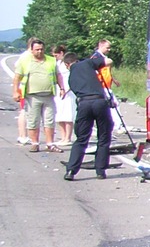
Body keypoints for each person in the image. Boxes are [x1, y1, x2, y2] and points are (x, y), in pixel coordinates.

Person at [64, 47, 113, 180]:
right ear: (77, 60)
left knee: (81, 139)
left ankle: (71, 171)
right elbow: (108, 60)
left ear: (67, 65)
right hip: (99, 102)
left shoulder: (70, 79)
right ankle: (100, 171)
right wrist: (96, 65)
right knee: (103, 137)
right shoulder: (87, 63)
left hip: (84, 104)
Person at [11, 37, 64, 153]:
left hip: (49, 95)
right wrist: (15, 91)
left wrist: (62, 88)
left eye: (41, 49)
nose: (39, 52)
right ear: (32, 50)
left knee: (49, 120)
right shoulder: (24, 61)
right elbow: (17, 78)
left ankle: (50, 144)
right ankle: (35, 143)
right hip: (32, 96)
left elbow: (58, 75)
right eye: (37, 50)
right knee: (33, 121)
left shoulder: (51, 60)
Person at [55, 51, 77, 149]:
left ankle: (68, 137)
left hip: (68, 92)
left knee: (68, 115)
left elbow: (72, 79)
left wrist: (66, 90)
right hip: (59, 90)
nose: (55, 57)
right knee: (59, 115)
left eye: (56, 55)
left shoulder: (70, 66)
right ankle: (63, 137)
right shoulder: (57, 64)